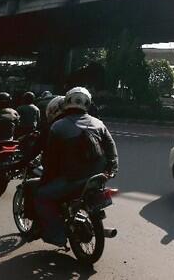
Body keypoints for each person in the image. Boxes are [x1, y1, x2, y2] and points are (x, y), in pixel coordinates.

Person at [33, 86, 118, 246]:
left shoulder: (58, 126)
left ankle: (56, 234)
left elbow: (50, 160)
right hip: (98, 178)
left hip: (73, 180)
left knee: (42, 196)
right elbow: (111, 148)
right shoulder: (98, 123)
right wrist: (112, 170)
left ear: (66, 102)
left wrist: (46, 180)